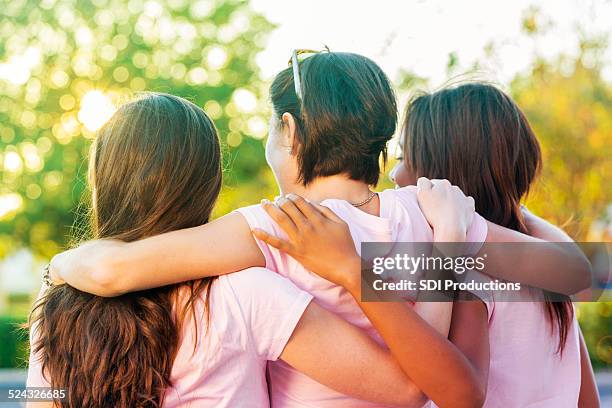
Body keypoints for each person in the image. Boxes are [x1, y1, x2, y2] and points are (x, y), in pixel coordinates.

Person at [47, 53, 591, 407]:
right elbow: (574, 274)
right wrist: (463, 229)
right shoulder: (431, 212)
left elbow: (109, 269)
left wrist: (58, 266)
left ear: (289, 130)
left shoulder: (274, 227)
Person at [27, 93, 437, 408]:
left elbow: (39, 400)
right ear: (207, 185)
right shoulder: (247, 294)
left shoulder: (56, 303)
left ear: (103, 180)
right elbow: (407, 387)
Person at [254, 83, 600, 407]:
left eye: (403, 158)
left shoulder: (468, 281)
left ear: (439, 176)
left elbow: (456, 391)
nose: (393, 175)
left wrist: (452, 228)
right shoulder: (550, 292)